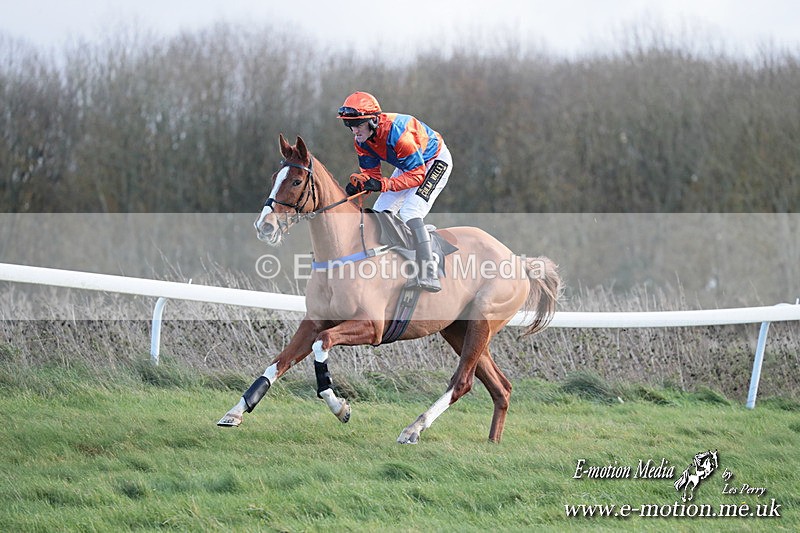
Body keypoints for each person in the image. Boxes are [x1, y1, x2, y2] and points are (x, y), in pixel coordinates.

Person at [338, 91, 452, 292]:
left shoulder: (399, 134)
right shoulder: (361, 141)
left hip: (434, 162)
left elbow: (417, 176)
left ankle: (429, 272)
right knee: (380, 213)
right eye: (348, 125)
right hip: (410, 166)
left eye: (357, 124)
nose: (354, 130)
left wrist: (382, 185)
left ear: (373, 120)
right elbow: (371, 174)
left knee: (410, 211)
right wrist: (361, 184)